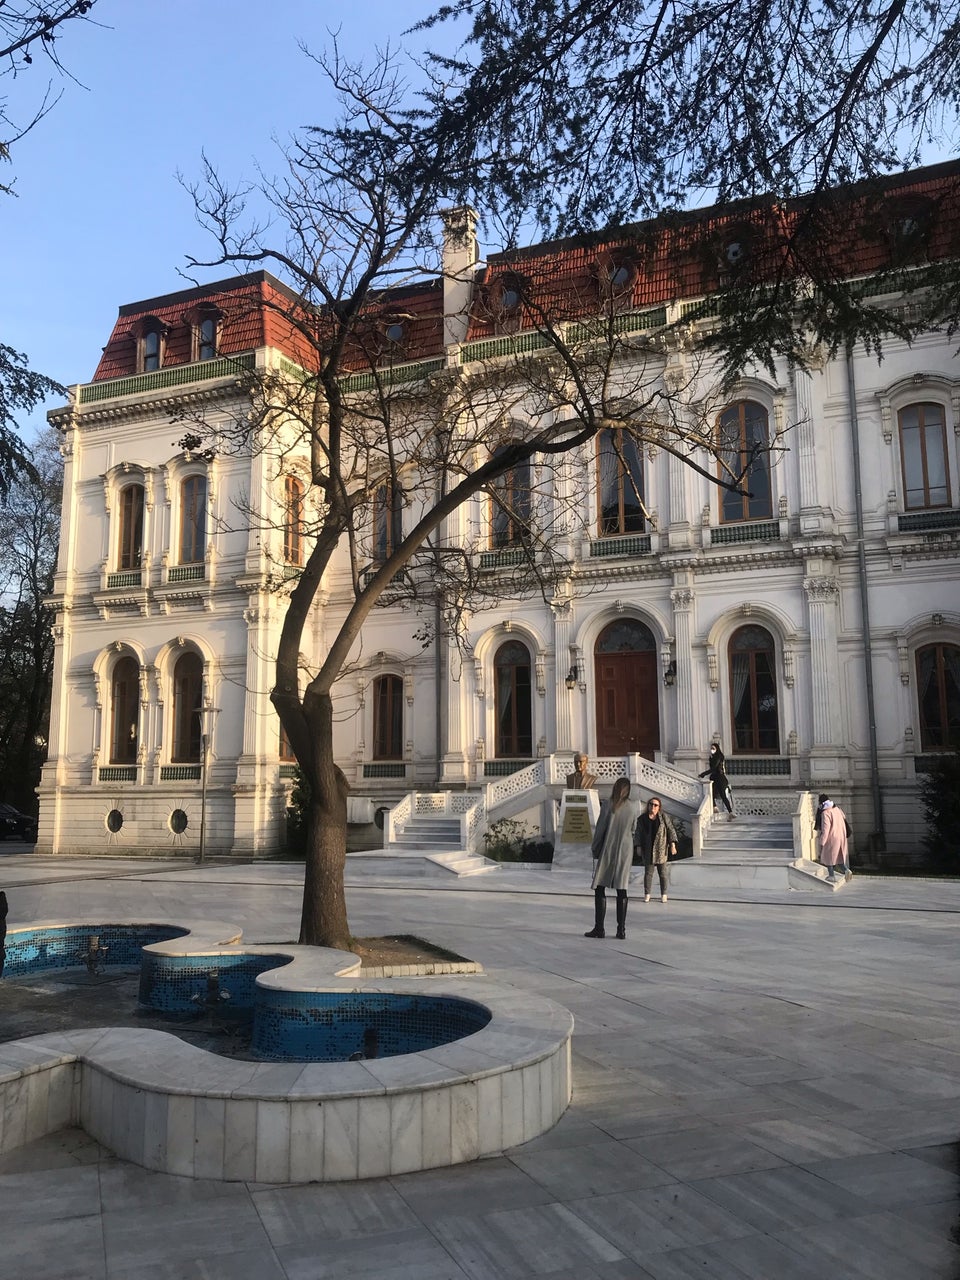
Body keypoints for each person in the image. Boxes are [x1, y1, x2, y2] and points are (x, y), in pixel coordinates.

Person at [586, 777, 639, 939]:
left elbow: (600, 829)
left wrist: (595, 848)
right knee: (622, 889)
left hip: (608, 848)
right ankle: (621, 930)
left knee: (600, 887)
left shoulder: (608, 805)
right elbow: (633, 830)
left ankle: (599, 928)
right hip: (625, 851)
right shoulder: (633, 807)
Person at [634, 796, 679, 903]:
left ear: (659, 807)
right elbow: (638, 833)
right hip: (648, 849)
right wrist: (638, 846)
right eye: (651, 804)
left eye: (655, 805)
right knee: (648, 873)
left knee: (662, 873)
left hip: (661, 849)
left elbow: (670, 830)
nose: (653, 807)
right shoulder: (642, 819)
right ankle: (647, 894)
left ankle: (664, 894)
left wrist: (672, 844)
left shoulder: (663, 817)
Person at [815, 793, 852, 882]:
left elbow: (826, 828)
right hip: (841, 836)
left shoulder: (825, 813)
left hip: (831, 838)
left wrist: (822, 841)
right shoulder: (837, 809)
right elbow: (844, 819)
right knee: (839, 857)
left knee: (828, 858)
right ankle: (846, 870)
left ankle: (831, 876)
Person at [699, 742, 734, 819]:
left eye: (713, 748)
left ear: (717, 749)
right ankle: (715, 808)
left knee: (722, 795)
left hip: (720, 778)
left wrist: (703, 774)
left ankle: (730, 812)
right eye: (711, 748)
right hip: (714, 778)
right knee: (711, 793)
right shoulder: (712, 757)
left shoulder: (718, 756)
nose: (711, 750)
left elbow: (714, 768)